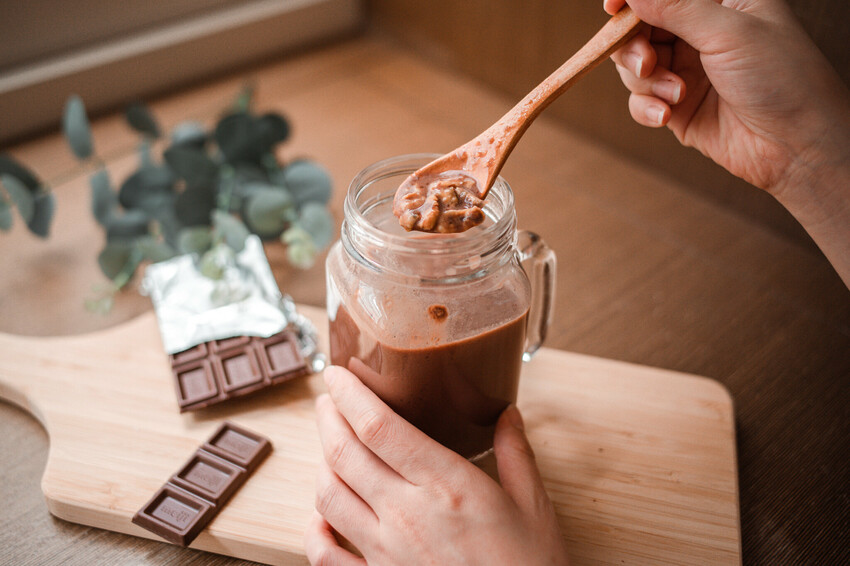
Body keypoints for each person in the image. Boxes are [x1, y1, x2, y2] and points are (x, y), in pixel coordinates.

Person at [304, 1, 850, 564]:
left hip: (483, 460)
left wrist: (810, 148)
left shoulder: (505, 266)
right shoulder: (353, 265)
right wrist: (809, 149)